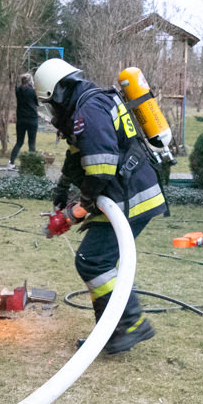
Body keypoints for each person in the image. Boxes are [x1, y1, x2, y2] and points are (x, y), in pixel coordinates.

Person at [34, 58, 166, 354]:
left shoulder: (88, 111)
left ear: (58, 93)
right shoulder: (85, 105)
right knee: (97, 260)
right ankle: (114, 329)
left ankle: (129, 324)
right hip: (123, 195)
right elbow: (75, 155)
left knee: (93, 260)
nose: (51, 110)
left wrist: (80, 207)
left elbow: (102, 168)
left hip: (129, 198)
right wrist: (62, 189)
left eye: (49, 103)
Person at [1, 73, 40, 170]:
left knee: (19, 142)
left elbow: (16, 88)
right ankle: (32, 164)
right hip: (32, 119)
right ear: (30, 80)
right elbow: (37, 103)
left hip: (21, 120)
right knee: (31, 143)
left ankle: (11, 162)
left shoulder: (18, 90)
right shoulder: (33, 91)